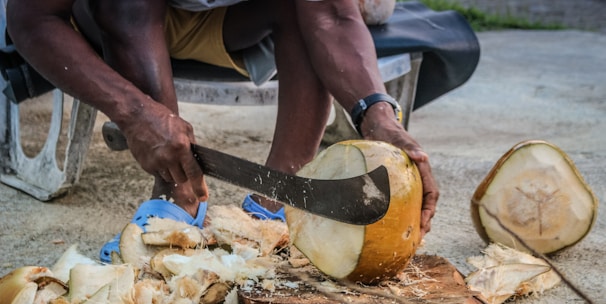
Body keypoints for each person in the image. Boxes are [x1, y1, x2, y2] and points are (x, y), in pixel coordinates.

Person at [6, 0, 438, 262]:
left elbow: (331, 15)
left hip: (233, 19)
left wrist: (376, 114)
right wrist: (135, 114)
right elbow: (32, 16)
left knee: (303, 9)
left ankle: (278, 197)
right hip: (116, 17)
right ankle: (175, 189)